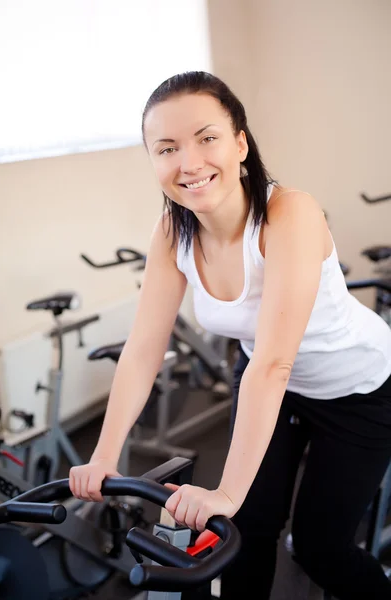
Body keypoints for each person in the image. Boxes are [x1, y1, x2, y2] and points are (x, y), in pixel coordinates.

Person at [69, 71, 391, 599]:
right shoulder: (172, 230)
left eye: (207, 138)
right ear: (153, 161)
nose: (189, 163)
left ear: (240, 143)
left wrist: (225, 491)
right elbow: (144, 348)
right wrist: (104, 456)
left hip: (355, 388)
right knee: (242, 535)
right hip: (270, 379)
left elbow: (274, 363)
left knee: (319, 548)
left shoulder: (290, 213)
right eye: (166, 148)